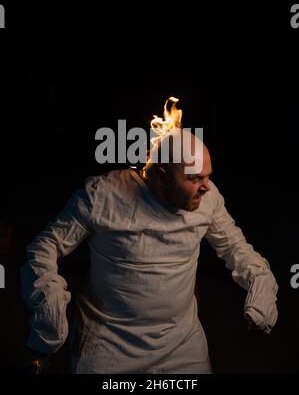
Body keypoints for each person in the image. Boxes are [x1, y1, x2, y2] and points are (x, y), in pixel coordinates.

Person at [20, 112, 278, 374]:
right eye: (194, 179)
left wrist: (261, 280)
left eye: (207, 176)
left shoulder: (208, 200)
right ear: (161, 175)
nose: (206, 187)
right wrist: (48, 300)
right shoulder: (103, 195)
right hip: (108, 345)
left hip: (181, 345)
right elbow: (44, 246)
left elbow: (236, 248)